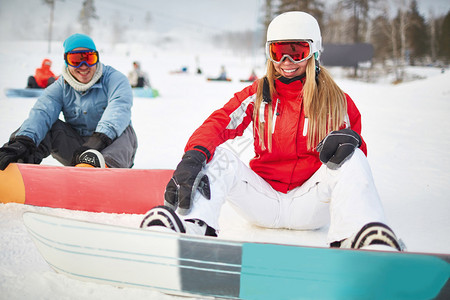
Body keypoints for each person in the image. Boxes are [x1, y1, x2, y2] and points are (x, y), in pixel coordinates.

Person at [140, 12, 404, 251]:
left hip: (310, 204)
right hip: (263, 199)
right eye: (278, 52)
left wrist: (351, 144)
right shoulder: (257, 95)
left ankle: (361, 238)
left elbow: (357, 172)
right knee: (217, 155)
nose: (286, 62)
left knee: (352, 157)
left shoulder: (338, 102)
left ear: (314, 52)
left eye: (296, 52)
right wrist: (193, 156)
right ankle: (191, 226)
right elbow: (219, 123)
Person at [0, 33, 137, 170]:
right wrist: (23, 141)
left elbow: (119, 109)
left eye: (89, 59)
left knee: (124, 129)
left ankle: (104, 169)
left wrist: (96, 142)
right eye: (76, 60)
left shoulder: (115, 79)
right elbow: (42, 113)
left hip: (111, 148)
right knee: (48, 129)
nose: (83, 66)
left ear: (97, 59)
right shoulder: (59, 87)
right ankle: (17, 165)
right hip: (77, 151)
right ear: (66, 61)